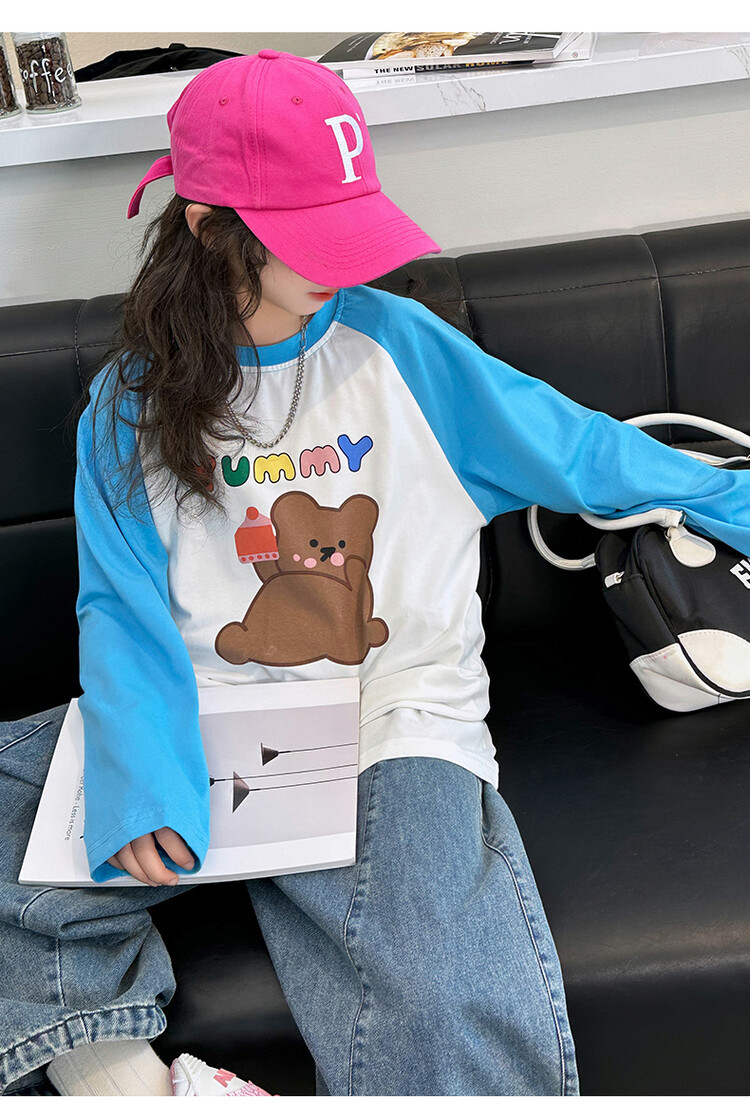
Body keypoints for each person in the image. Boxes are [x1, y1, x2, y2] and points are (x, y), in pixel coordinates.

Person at [4, 49, 750, 1098]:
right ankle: (137, 1089)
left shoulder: (402, 349)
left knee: (443, 984)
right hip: (201, 710)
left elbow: (580, 450)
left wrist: (731, 502)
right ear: (208, 229)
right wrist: (145, 775)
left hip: (386, 716)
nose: (344, 260)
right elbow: (119, 604)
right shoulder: (129, 403)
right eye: (309, 233)